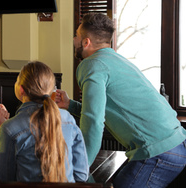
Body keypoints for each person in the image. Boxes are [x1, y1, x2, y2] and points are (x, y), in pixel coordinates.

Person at [55, 12, 186, 187]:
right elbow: (102, 111)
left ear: (86, 42)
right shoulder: (115, 60)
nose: (73, 40)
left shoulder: (91, 65)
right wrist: (69, 105)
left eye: (77, 36)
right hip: (176, 144)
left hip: (158, 152)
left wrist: (81, 167)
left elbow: (93, 121)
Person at [0, 61, 89, 183]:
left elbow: (5, 178)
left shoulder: (9, 128)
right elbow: (82, 175)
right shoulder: (68, 119)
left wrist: (2, 126)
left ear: (21, 90)